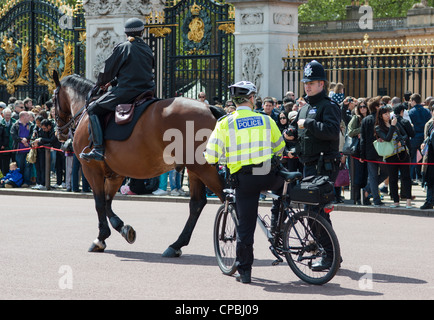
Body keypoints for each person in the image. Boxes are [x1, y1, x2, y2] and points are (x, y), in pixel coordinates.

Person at [205, 80, 285, 284]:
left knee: (245, 228)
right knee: (285, 194)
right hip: (269, 175)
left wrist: (214, 159)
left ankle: (245, 272)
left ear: (234, 100)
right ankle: (280, 226)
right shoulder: (266, 119)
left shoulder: (225, 122)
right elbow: (279, 146)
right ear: (251, 99)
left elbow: (211, 156)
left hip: (245, 180)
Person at [283, 60, 341, 271]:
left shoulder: (329, 106)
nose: (307, 86)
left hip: (323, 166)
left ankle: (329, 255)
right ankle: (330, 254)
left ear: (322, 84)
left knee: (314, 211)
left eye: (312, 82)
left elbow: (332, 132)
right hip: (308, 165)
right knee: (314, 212)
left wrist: (308, 124)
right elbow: (295, 133)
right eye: (306, 82)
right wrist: (289, 134)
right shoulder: (305, 107)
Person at [80, 18, 156, 162]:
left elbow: (108, 70)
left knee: (92, 109)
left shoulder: (124, 47)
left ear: (125, 32)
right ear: (143, 31)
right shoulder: (147, 49)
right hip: (146, 90)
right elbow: (135, 72)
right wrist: (114, 81)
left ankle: (98, 149)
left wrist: (101, 83)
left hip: (128, 91)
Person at [374, 106, 412, 208]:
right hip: (390, 155)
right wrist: (392, 126)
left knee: (406, 177)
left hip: (402, 152)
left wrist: (401, 140)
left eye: (388, 113)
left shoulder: (395, 122)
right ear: (381, 116)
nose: (388, 115)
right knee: (393, 178)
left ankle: (408, 200)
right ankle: (396, 201)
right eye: (385, 114)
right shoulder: (378, 127)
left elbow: (405, 135)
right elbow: (387, 138)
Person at [360, 96, 388, 206]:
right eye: (380, 105)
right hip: (380, 151)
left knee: (373, 176)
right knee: (385, 173)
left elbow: (363, 139)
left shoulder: (365, 120)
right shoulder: (379, 119)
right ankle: (375, 198)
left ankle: (367, 190)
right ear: (376, 107)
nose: (382, 106)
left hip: (370, 152)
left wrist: (362, 154)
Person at [347, 98, 370, 204]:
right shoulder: (356, 118)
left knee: (366, 176)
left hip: (368, 149)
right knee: (358, 176)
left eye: (364, 106)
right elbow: (350, 131)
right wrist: (362, 129)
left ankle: (365, 198)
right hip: (357, 150)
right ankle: (356, 198)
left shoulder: (370, 118)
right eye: (360, 107)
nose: (362, 108)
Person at [408, 93, 431, 184]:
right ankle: (421, 177)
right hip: (424, 137)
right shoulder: (427, 111)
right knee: (424, 158)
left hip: (414, 137)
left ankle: (411, 177)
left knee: (413, 158)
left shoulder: (411, 112)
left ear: (413, 101)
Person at [10, 111, 34, 187]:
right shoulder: (15, 125)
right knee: (20, 166)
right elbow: (13, 135)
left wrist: (26, 139)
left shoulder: (31, 125)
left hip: (28, 150)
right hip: (19, 150)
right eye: (27, 116)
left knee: (28, 166)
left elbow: (32, 134)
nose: (29, 117)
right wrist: (21, 140)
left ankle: (26, 182)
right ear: (22, 117)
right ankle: (20, 181)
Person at [421, 103, 434, 209]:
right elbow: (425, 139)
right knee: (430, 180)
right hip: (430, 156)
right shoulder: (429, 124)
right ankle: (429, 200)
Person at [0, 108, 16, 176]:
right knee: (5, 165)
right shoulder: (1, 123)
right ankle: (5, 178)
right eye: (6, 115)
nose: (8, 117)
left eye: (9, 115)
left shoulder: (15, 123)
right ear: (3, 115)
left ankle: (15, 178)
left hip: (14, 147)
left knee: (15, 164)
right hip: (5, 148)